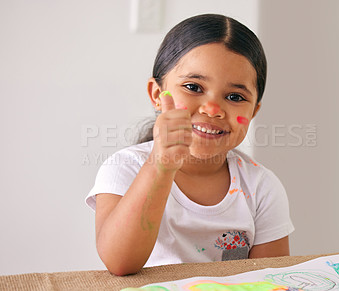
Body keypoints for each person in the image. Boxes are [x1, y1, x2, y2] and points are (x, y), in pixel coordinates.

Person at [85, 14, 294, 276]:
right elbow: (120, 263)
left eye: (234, 96)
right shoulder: (123, 169)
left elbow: (269, 279)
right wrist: (161, 166)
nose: (212, 109)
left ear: (254, 111)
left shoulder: (261, 187)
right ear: (157, 95)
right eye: (194, 87)